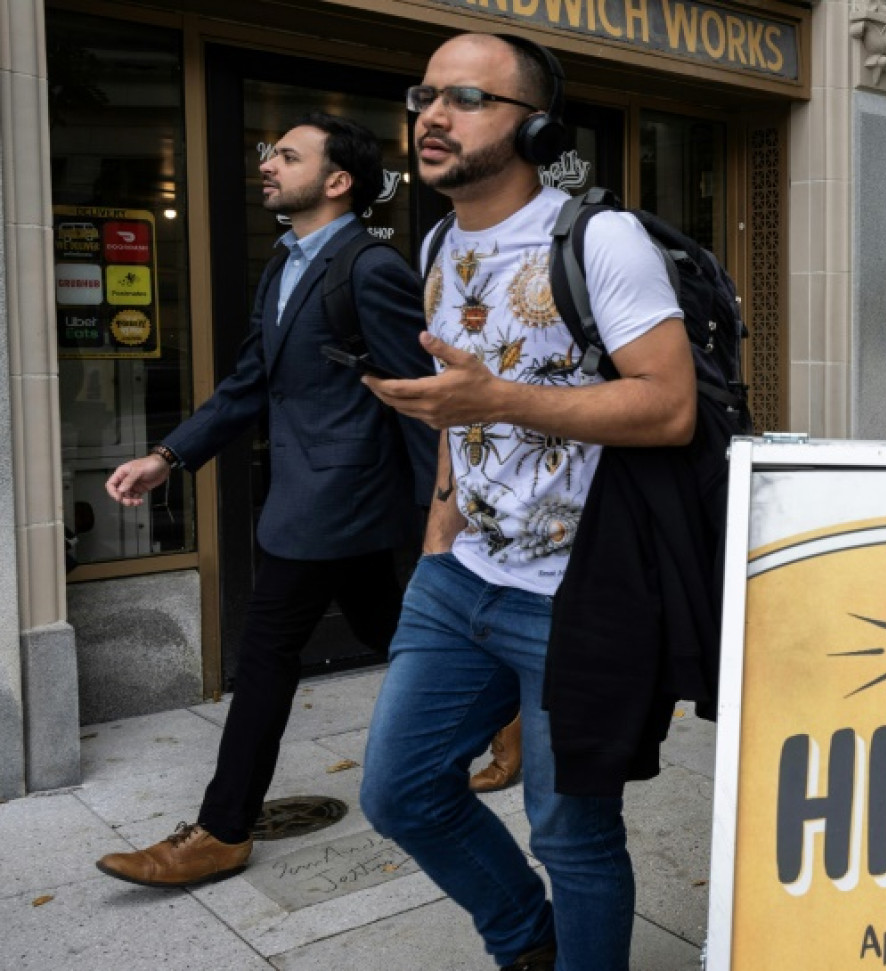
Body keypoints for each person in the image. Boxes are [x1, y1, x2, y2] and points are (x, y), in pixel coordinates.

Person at [358, 33, 695, 971]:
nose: (432, 114)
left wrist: (496, 399)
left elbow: (670, 407)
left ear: (534, 127)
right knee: (400, 791)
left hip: (577, 597)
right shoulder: (433, 240)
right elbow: (455, 409)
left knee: (573, 837)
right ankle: (527, 943)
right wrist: (439, 522)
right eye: (425, 93)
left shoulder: (598, 238)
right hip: (459, 579)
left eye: (466, 98)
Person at [96, 113, 436, 889]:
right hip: (308, 493)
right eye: (268, 152)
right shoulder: (283, 260)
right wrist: (166, 455)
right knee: (391, 628)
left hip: (337, 497)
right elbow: (251, 381)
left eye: (287, 154)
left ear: (338, 180)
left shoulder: (371, 267)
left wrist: (437, 513)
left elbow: (420, 399)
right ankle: (503, 717)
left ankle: (222, 828)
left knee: (265, 653)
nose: (268, 164)